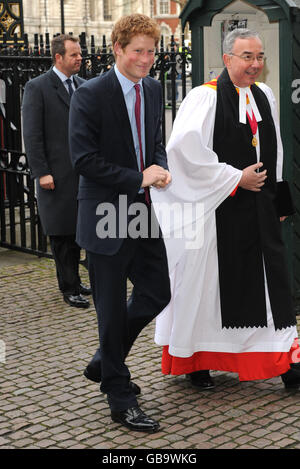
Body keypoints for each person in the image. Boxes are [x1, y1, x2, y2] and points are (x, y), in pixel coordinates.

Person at [151, 28, 300, 390]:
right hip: (217, 214)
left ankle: (284, 362)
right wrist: (235, 179)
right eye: (246, 57)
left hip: (260, 212)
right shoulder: (204, 99)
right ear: (227, 59)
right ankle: (196, 359)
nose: (255, 65)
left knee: (269, 284)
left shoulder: (264, 95)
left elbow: (274, 149)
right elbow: (185, 154)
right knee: (209, 290)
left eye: (259, 57)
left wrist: (279, 199)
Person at [69, 14, 171, 433]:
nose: (146, 60)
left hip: (141, 213)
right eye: (138, 52)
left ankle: (104, 359)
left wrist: (159, 168)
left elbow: (156, 145)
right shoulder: (90, 95)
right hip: (104, 215)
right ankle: (119, 393)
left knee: (159, 290)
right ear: (117, 49)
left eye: (151, 51)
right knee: (110, 311)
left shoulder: (153, 87)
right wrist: (137, 178)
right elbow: (83, 160)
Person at [22, 34, 91, 309]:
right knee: (61, 235)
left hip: (82, 174)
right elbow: (32, 134)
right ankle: (69, 287)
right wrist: (41, 172)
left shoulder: (83, 86)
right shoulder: (37, 87)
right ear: (58, 57)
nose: (80, 59)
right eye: (74, 55)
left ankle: (76, 280)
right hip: (55, 176)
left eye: (80, 54)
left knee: (78, 231)